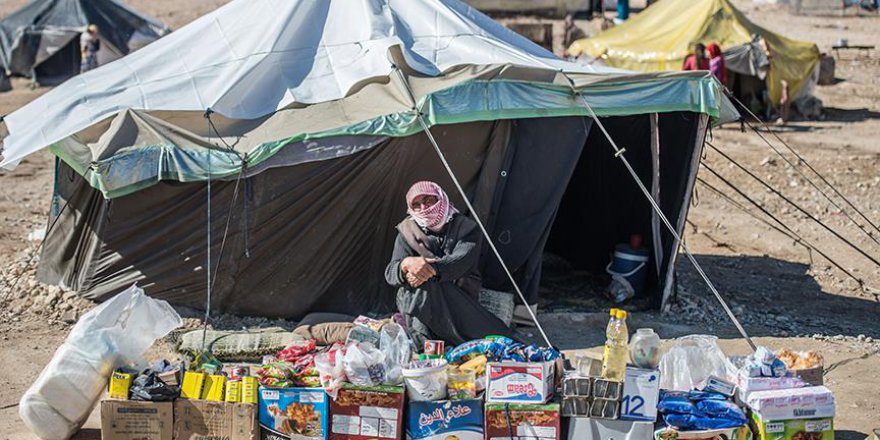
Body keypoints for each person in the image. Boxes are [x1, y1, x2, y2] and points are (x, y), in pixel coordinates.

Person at [385, 181, 512, 348]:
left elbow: (459, 263)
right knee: (417, 289)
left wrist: (424, 270)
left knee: (496, 340)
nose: (423, 208)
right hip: (419, 302)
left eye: (429, 200)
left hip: (457, 300)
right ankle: (424, 345)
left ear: (441, 198)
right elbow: (390, 273)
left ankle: (430, 344)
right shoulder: (407, 231)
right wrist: (406, 264)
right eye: (416, 205)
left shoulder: (467, 228)